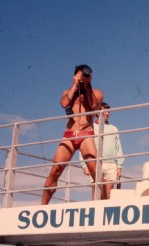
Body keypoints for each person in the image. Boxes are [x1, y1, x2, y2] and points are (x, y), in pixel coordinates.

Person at [42, 64, 103, 204]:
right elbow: (64, 103)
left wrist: (88, 84)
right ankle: (42, 206)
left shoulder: (96, 92)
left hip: (86, 133)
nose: (82, 78)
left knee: (96, 171)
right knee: (55, 170)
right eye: (80, 75)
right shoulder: (68, 91)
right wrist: (75, 84)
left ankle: (104, 205)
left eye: (85, 75)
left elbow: (94, 105)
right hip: (69, 134)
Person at [79, 102, 124, 199]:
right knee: (96, 194)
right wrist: (84, 165)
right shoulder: (91, 128)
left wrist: (119, 166)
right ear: (98, 112)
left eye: (108, 111)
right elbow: (83, 147)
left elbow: (118, 148)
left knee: (108, 195)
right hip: (95, 163)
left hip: (111, 164)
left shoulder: (113, 129)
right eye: (105, 111)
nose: (107, 113)